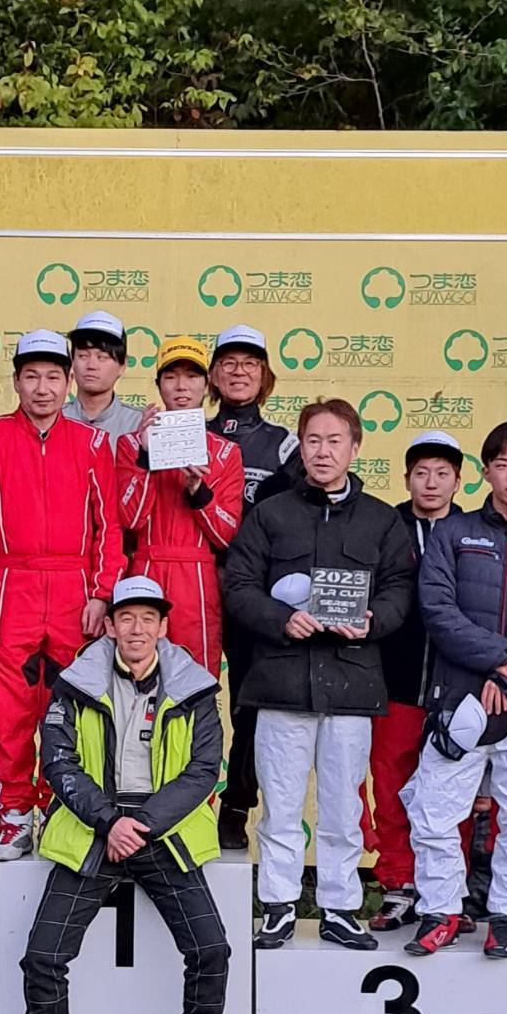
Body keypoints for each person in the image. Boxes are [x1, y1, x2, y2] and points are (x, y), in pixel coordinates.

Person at [19, 576, 230, 1014]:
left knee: (211, 951)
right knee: (42, 955)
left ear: (164, 627)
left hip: (164, 831)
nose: (137, 629)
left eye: (148, 619)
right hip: (95, 827)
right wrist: (110, 821)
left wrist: (143, 824)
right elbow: (57, 762)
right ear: (109, 626)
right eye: (126, 618)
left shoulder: (195, 687)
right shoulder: (75, 683)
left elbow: (203, 770)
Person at [223, 397, 413, 951]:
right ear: (300, 448)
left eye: (334, 441)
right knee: (280, 806)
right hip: (281, 684)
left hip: (352, 684)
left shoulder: (382, 519)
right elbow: (238, 586)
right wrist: (282, 620)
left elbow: (400, 588)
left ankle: (339, 906)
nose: (323, 451)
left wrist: (375, 621)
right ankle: (278, 905)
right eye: (313, 440)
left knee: (342, 807)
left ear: (355, 448)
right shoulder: (270, 514)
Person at [0, 328, 125, 859]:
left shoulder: (92, 443)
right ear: (16, 382)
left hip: (74, 588)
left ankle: (61, 807)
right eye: (32, 377)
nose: (43, 388)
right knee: (10, 711)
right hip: (11, 586)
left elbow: (108, 527)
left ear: (68, 382)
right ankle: (14, 815)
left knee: (72, 706)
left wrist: (102, 593)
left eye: (53, 377)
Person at [402, 421, 507, 961]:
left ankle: (505, 918)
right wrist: (498, 660)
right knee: (434, 813)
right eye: (502, 465)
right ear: (484, 473)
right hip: (459, 699)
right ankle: (440, 912)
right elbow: (437, 610)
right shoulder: (454, 532)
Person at [364, 430, 463, 930]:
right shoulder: (385, 526)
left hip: (456, 688)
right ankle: (398, 884)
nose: (431, 482)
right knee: (391, 786)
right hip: (394, 683)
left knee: (452, 794)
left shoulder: (471, 531)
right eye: (421, 473)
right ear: (406, 479)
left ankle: (449, 892)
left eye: (442, 474)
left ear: (459, 481)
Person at [207, 323, 301, 850]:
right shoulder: (186, 433)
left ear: (265, 376)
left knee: (250, 704)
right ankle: (181, 803)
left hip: (255, 595)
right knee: (183, 699)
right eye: (228, 362)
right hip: (194, 585)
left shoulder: (285, 444)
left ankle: (236, 805)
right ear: (213, 375)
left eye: (250, 363)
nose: (239, 372)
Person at [116, 337, 244, 678]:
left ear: (207, 383)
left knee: (195, 677)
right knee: (137, 673)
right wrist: (146, 456)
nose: (181, 386)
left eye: (192, 376)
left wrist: (198, 491)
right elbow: (130, 519)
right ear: (159, 384)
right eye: (171, 376)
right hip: (145, 567)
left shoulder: (225, 452)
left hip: (197, 577)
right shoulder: (130, 444)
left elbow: (226, 535)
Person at [63, 311, 142, 452]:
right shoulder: (53, 419)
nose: (91, 365)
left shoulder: (139, 423)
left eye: (102, 357)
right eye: (83, 356)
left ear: (123, 365)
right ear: (72, 361)